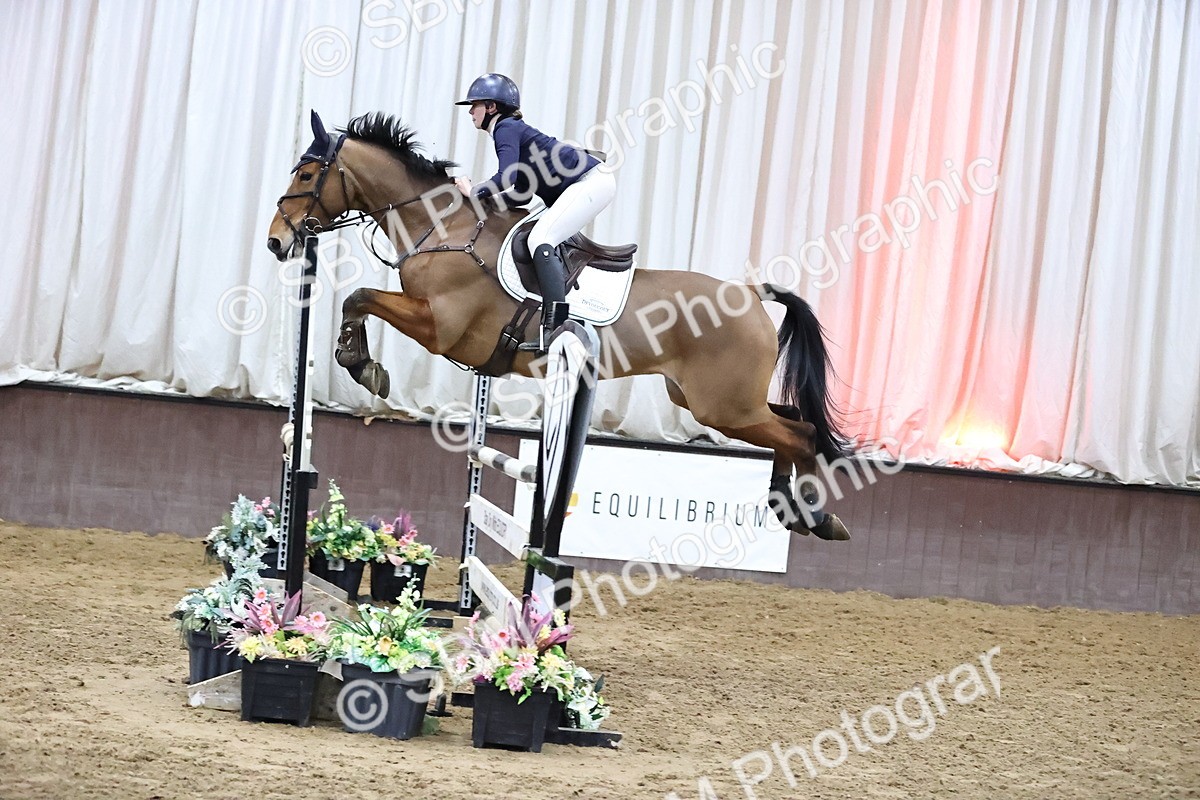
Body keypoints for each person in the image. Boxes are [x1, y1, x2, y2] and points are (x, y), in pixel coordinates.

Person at [454, 73, 616, 350]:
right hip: (588, 182)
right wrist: (486, 203)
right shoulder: (511, 130)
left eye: (475, 105)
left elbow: (505, 177)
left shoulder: (505, 128)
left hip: (591, 182)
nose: (470, 112)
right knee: (538, 236)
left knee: (540, 239)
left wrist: (474, 191)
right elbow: (522, 192)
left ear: (491, 107)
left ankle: (556, 327)